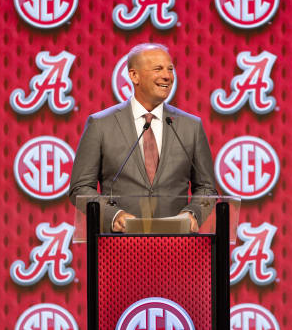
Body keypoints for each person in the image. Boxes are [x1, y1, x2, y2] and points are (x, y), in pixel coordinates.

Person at [68, 43, 218, 232]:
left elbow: (207, 189)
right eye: (158, 69)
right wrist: (112, 215)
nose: (167, 76)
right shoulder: (100, 125)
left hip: (176, 247)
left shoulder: (191, 126)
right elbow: (80, 188)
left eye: (170, 69)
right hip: (119, 248)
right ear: (134, 76)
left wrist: (193, 213)